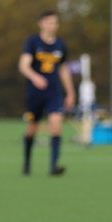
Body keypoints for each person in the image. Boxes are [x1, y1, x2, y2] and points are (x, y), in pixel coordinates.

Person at [18, 11, 76, 176]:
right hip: (35, 93)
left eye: (55, 23)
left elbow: (64, 69)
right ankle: (27, 162)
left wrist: (70, 92)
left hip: (54, 92)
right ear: (41, 23)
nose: (52, 26)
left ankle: (54, 166)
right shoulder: (33, 42)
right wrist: (35, 77)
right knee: (32, 127)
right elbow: (23, 65)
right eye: (49, 22)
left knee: (56, 125)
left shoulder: (61, 45)